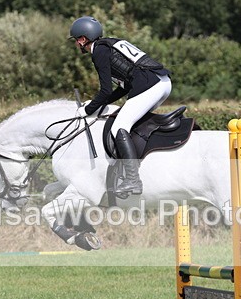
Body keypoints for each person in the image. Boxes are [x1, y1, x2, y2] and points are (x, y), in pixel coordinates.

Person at [69, 16, 171, 195]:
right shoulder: (110, 44)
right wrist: (98, 105)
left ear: (83, 39)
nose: (77, 44)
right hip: (162, 83)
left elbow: (106, 90)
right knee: (131, 122)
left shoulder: (98, 51)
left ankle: (133, 180)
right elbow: (123, 89)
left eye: (77, 40)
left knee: (119, 127)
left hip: (151, 85)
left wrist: (87, 110)